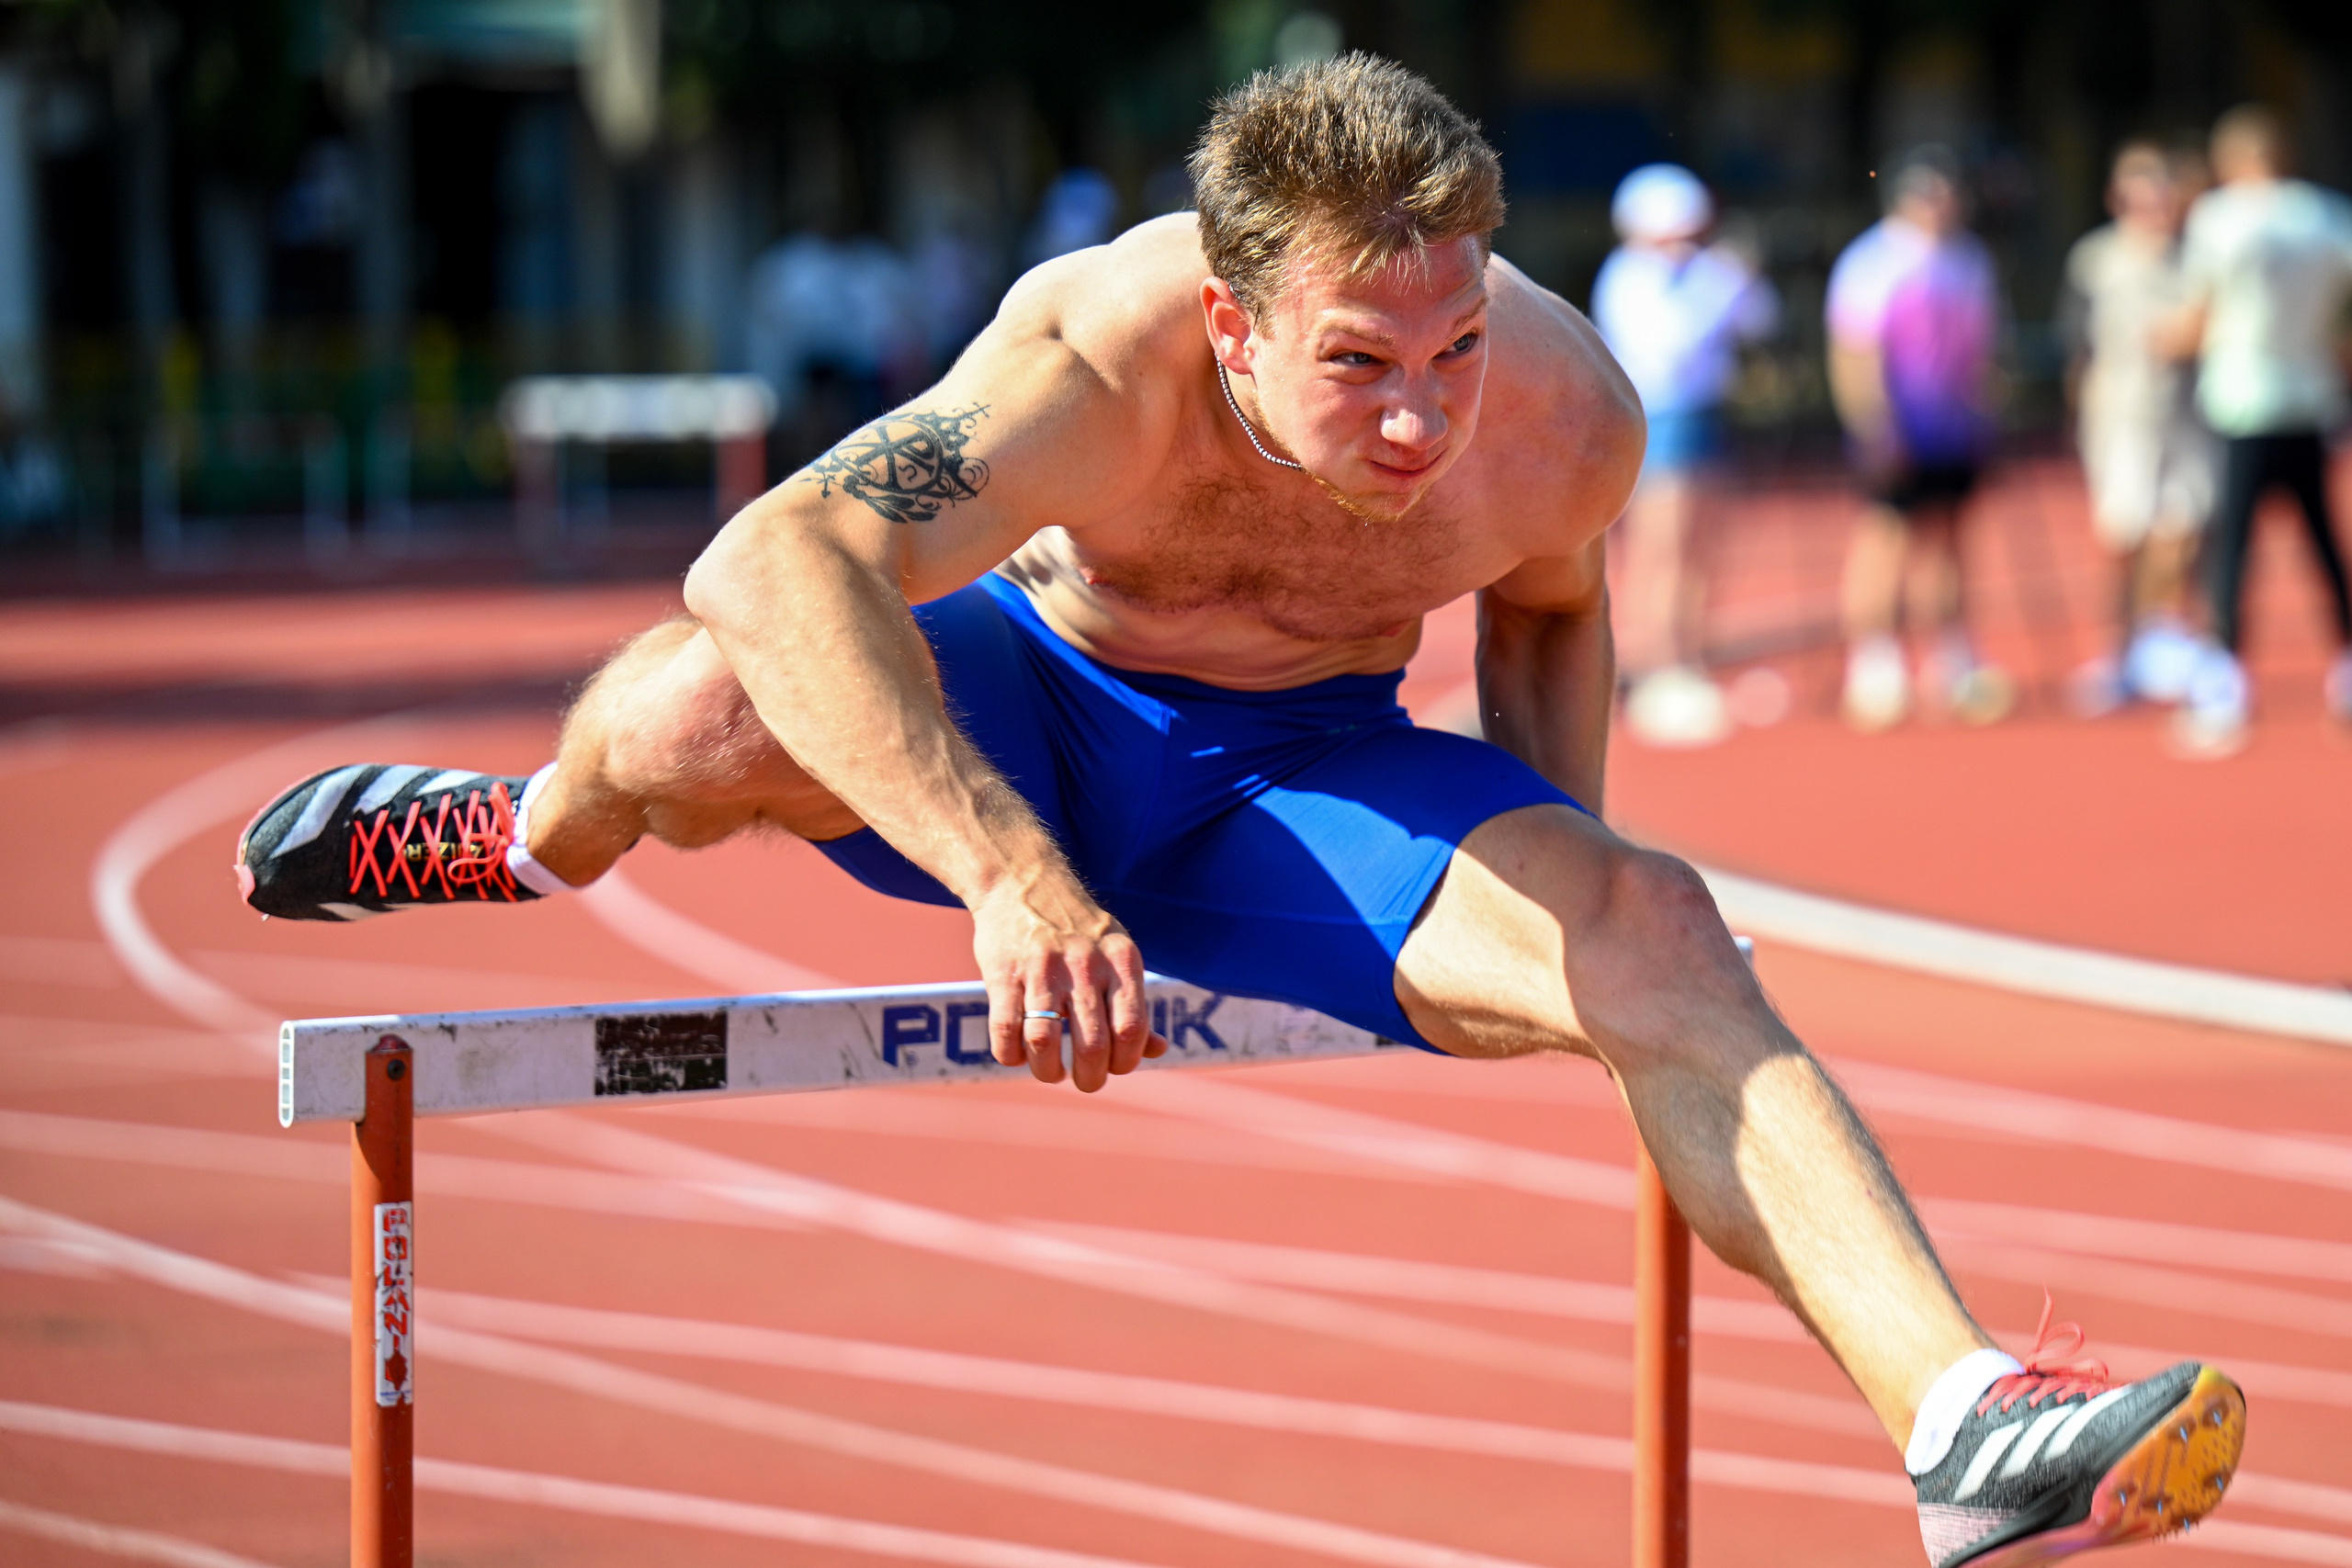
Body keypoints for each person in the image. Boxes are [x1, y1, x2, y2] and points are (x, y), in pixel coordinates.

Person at [232, 57, 2243, 1567]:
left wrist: (1581, 945)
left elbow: (1550, 614)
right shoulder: (1092, 351)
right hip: (1032, 712)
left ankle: (1957, 1428)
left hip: (1305, 776)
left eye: (1449, 348)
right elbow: (772, 560)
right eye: (1356, 362)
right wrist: (1011, 880)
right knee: (681, 714)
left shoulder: (1559, 413)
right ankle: (520, 835)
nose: (1413, 417)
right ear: (1227, 321)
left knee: (1658, 925)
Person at [2166, 104, 2352, 756]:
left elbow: (2200, 314)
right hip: (2309, 398)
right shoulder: (2327, 216)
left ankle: (2223, 683)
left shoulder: (2218, 221)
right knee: (2324, 540)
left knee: (2232, 546)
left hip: (2241, 399)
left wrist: (2161, 339)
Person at [1591, 163, 1778, 746]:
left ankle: (1691, 659)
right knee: (1662, 548)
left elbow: (1761, 321)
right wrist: (1720, 293)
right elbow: (1668, 350)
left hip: (1706, 416)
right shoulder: (1628, 276)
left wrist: (1739, 281)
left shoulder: (1703, 274)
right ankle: (1655, 669)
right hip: (1658, 419)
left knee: (1702, 547)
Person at [1826, 147, 2012, 731]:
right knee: (1886, 537)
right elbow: (1854, 352)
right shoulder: (1873, 261)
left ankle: (1951, 656)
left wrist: (1987, 413)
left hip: (1955, 428)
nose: (1938, 207)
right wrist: (1874, 427)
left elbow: (1984, 350)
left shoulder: (1970, 261)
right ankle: (1874, 661)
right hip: (1900, 424)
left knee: (1951, 539)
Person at [2062, 141, 2214, 715]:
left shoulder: (2196, 256)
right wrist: (2079, 419)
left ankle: (2167, 638)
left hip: (2186, 415)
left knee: (2181, 531)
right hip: (2120, 417)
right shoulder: (2097, 260)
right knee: (2124, 535)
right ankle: (2121, 648)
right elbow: (2078, 349)